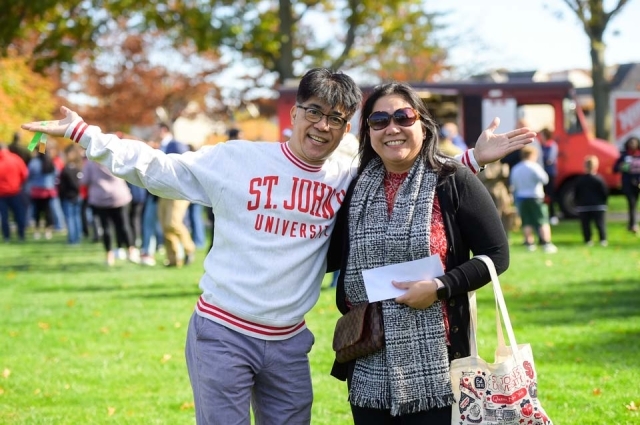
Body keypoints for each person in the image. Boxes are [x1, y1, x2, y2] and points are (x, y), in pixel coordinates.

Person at [21, 68, 535, 425]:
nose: (323, 125)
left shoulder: (344, 172)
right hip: (222, 331)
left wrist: (470, 158)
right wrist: (83, 132)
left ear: (346, 127)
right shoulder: (237, 160)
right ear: (294, 112)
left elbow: (407, 173)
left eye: (337, 118)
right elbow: (157, 167)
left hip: (290, 342)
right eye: (314, 111)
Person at [328, 82, 510, 423]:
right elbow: (327, 255)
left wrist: (440, 287)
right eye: (379, 120)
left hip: (438, 367)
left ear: (423, 126)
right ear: (368, 132)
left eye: (403, 117)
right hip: (368, 361)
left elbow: (496, 255)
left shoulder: (453, 180)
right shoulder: (353, 189)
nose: (392, 128)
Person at [81, 159, 140, 266]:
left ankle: (109, 255)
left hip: (100, 199)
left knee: (106, 227)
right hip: (120, 196)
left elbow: (84, 180)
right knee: (124, 225)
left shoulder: (90, 163)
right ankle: (131, 250)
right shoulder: (114, 160)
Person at [157, 123, 196, 267]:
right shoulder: (160, 146)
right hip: (163, 190)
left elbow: (184, 166)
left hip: (178, 190)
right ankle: (173, 259)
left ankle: (189, 249)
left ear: (164, 130)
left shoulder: (176, 145)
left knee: (173, 223)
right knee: (164, 225)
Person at [510, 145, 558, 253]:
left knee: (526, 221)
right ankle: (546, 243)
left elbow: (514, 184)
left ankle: (529, 243)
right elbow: (545, 179)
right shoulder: (534, 166)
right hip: (535, 196)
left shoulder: (516, 168)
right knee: (542, 220)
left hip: (521, 196)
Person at [574, 155, 609, 246]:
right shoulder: (599, 179)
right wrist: (604, 202)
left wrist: (577, 202)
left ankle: (588, 240)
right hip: (598, 205)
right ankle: (603, 239)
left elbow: (576, 193)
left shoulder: (580, 180)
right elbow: (604, 192)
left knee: (586, 225)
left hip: (584, 206)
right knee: (600, 224)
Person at [0, 142, 29, 242]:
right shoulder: (15, 158)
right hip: (15, 191)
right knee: (19, 214)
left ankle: (6, 237)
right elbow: (25, 174)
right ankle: (21, 235)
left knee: (4, 217)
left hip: (1, 194)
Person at [27, 150, 57, 240]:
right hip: (48, 190)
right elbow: (56, 174)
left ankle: (37, 231)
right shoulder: (50, 162)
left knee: (37, 212)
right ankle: (48, 231)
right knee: (48, 211)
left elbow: (28, 174)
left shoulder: (34, 162)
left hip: (36, 190)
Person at [58, 144, 84, 245]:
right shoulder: (79, 168)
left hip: (69, 197)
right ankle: (78, 237)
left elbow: (63, 185)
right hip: (77, 196)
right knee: (77, 217)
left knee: (71, 218)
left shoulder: (67, 170)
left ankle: (73, 239)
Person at [613, 136, 640, 234]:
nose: (632, 144)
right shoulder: (624, 156)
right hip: (628, 183)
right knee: (632, 204)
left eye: (634, 142)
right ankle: (632, 225)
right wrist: (621, 166)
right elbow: (615, 168)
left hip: (638, 183)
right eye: (630, 142)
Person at [539, 128, 559, 224]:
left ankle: (553, 215)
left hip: (549, 173)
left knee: (550, 195)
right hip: (541, 173)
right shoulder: (541, 146)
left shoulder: (552, 145)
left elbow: (549, 159)